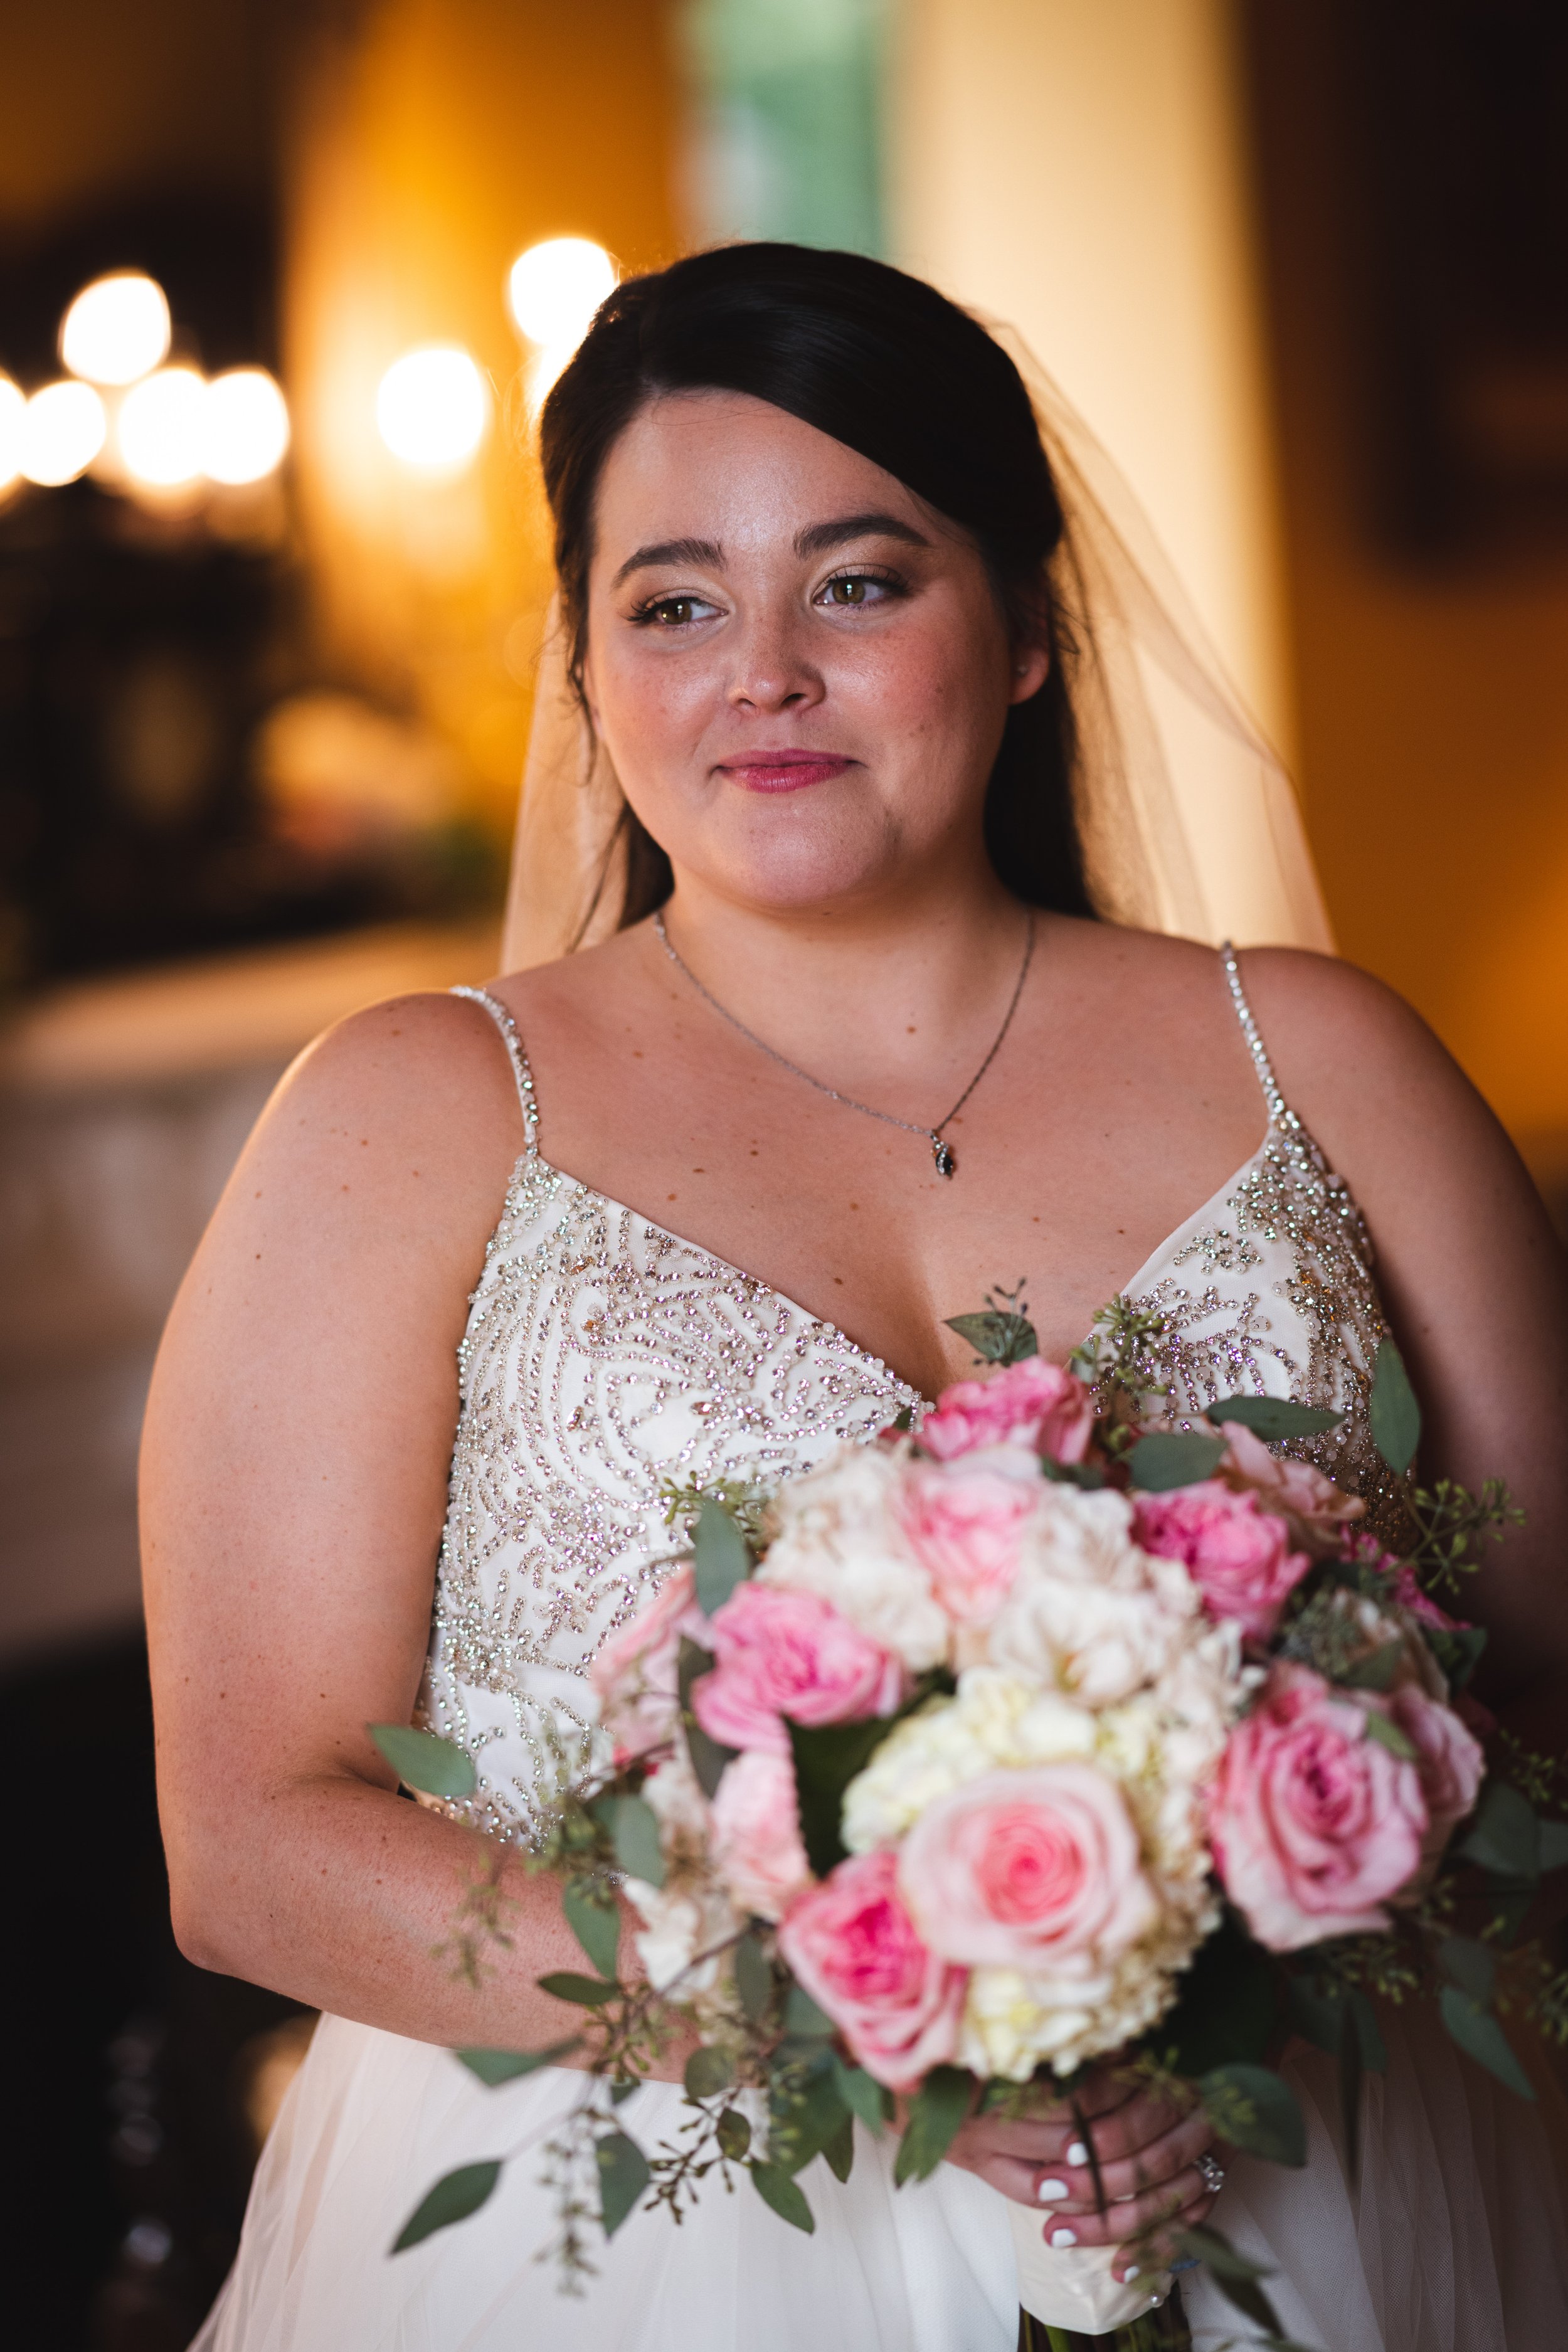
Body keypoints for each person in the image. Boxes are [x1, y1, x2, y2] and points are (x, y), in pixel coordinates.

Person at [142, 244, 1568, 2352]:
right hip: (629, 2251)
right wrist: (844, 2023)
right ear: (585, 662)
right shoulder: (413, 1112)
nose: (764, 674)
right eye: (674, 602)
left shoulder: (1329, 1064)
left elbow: (1543, 1683)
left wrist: (1221, 1941)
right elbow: (247, 1845)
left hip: (1324, 2193)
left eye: (862, 580)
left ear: (1021, 632)